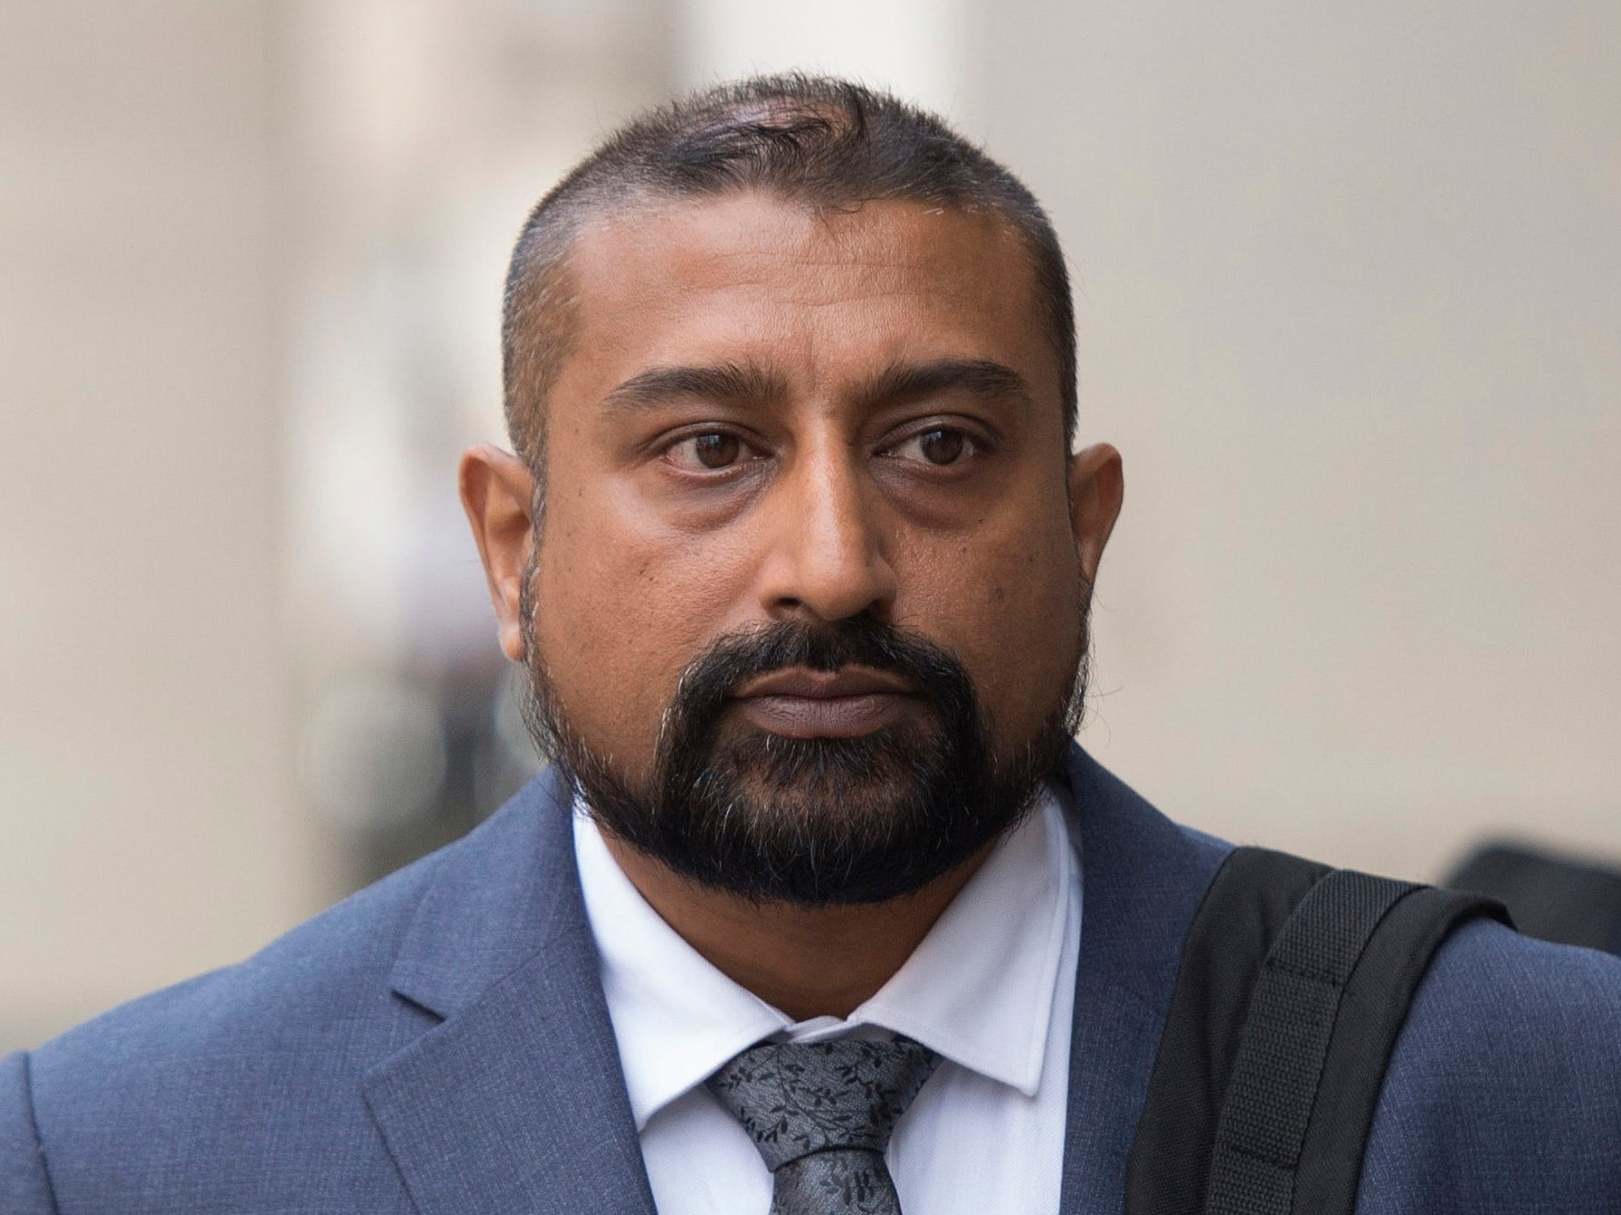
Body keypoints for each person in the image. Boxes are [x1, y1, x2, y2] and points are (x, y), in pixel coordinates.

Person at [3, 73, 1618, 1215]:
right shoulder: (125, 1154)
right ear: (515, 546)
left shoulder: (1526, 1089)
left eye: (936, 447)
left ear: (1082, 529)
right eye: (709, 449)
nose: (832, 568)